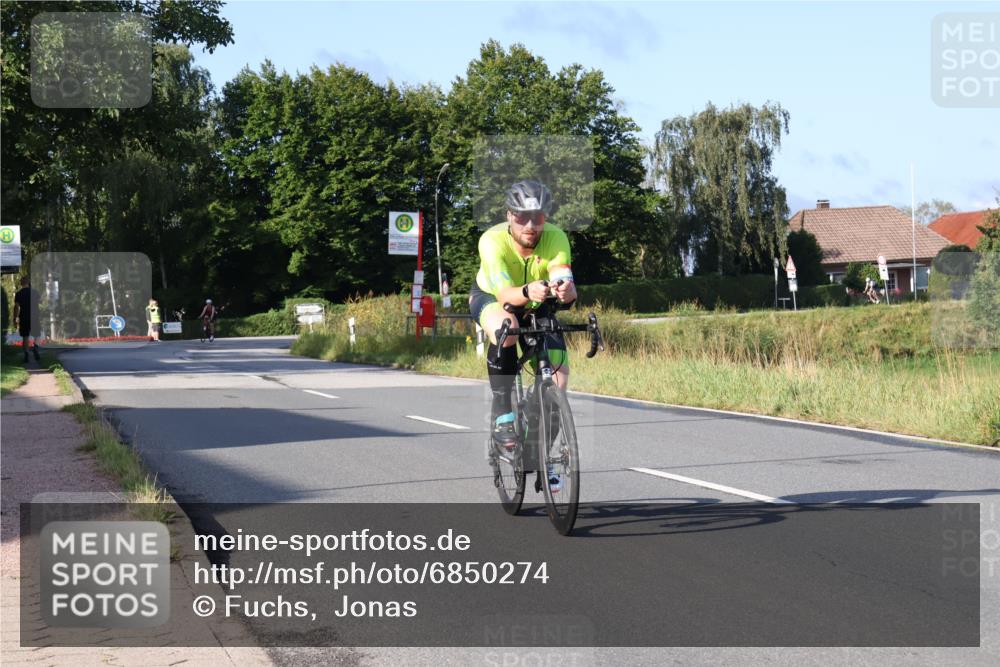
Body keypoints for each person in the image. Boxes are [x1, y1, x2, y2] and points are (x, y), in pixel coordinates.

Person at [469, 180, 577, 491]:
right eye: (522, 217)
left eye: (539, 217)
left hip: (537, 301)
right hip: (493, 299)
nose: (531, 225)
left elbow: (562, 278)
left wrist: (567, 289)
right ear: (509, 216)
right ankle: (504, 413)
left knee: (559, 380)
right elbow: (505, 294)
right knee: (507, 327)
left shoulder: (556, 237)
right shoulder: (491, 241)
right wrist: (529, 290)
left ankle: (539, 452)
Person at [12, 276, 41, 362]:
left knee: (25, 336)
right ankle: (35, 347)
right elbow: (41, 301)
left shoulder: (19, 294)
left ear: (21, 283)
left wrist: (15, 318)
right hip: (35, 316)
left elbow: (16, 307)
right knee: (37, 335)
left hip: (24, 317)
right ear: (28, 283)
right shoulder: (35, 292)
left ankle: (26, 354)